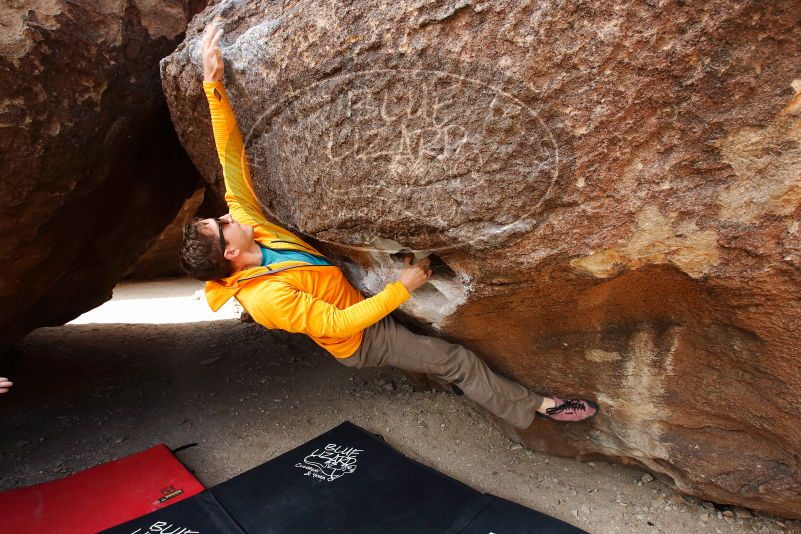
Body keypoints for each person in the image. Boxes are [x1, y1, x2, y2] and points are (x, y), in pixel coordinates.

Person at [180, 19, 598, 429]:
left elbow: (230, 159)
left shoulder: (250, 223)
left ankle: (446, 379)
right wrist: (403, 287)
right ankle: (540, 408)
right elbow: (339, 324)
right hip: (361, 339)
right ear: (230, 252)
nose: (227, 213)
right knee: (456, 359)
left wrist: (212, 85)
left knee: (426, 351)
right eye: (221, 223)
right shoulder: (266, 300)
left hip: (356, 300)